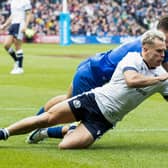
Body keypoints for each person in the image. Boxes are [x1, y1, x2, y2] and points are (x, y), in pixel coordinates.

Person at [0, 30, 168, 149]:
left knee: (66, 145)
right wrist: (158, 79)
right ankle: (4, 132)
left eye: (164, 52)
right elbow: (132, 80)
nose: (163, 55)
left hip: (105, 120)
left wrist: (161, 80)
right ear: (145, 49)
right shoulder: (133, 59)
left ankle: (45, 133)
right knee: (48, 117)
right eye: (159, 51)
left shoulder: (162, 76)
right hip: (93, 100)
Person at [0, 0, 32, 74]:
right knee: (6, 45)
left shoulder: (25, 1)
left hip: (20, 23)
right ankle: (16, 61)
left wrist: (25, 26)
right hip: (13, 24)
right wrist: (5, 25)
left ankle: (20, 68)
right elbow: (12, 15)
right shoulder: (13, 1)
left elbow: (28, 14)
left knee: (17, 46)